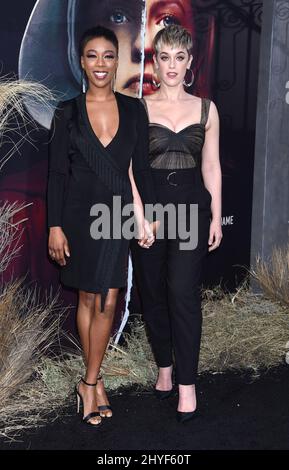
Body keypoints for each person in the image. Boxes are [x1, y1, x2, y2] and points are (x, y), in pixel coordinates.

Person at [47, 25, 155, 426]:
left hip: (116, 216)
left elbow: (140, 170)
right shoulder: (66, 112)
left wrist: (151, 217)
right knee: (89, 300)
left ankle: (89, 380)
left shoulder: (134, 109)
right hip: (77, 217)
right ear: (81, 61)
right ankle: (95, 381)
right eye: (93, 55)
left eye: (108, 55)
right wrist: (54, 227)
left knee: (109, 298)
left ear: (116, 59)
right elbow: (57, 174)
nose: (101, 64)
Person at [130, 24, 222, 423]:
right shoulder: (138, 108)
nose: (171, 65)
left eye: (179, 57)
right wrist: (138, 215)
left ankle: (188, 385)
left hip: (191, 211)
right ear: (155, 61)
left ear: (189, 63)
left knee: (183, 293)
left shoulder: (206, 109)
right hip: (150, 211)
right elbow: (130, 168)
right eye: (164, 57)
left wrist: (217, 214)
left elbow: (212, 165)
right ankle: (164, 368)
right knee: (153, 293)